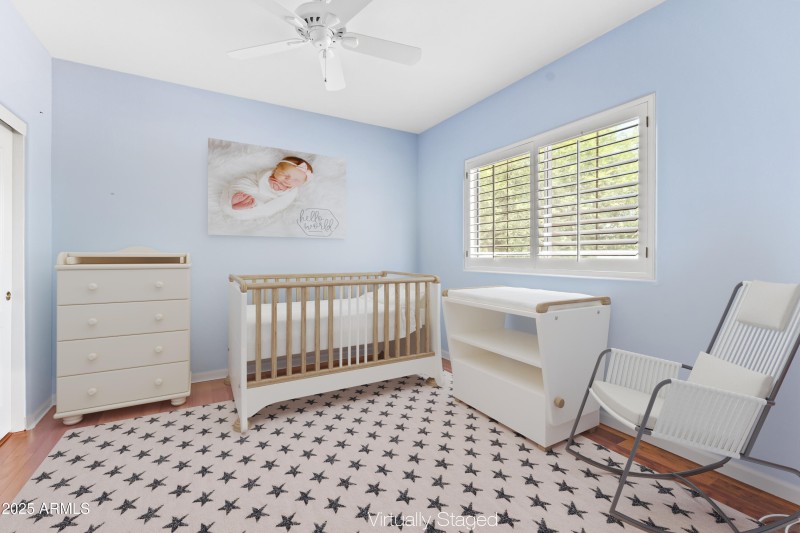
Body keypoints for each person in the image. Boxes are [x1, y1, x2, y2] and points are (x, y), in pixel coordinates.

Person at [221, 156, 313, 220]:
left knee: (260, 204)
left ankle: (247, 206)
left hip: (263, 199)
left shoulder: (290, 192)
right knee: (241, 184)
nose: (288, 180)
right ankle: (236, 199)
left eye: (296, 180)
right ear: (276, 169)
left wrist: (279, 191)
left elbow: (281, 203)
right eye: (285, 174)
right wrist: (268, 181)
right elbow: (256, 176)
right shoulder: (268, 174)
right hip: (253, 185)